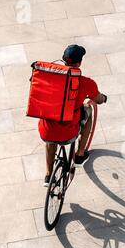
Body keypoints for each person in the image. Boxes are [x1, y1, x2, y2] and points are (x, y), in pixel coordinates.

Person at [38, 44, 107, 187]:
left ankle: (48, 175)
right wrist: (103, 98)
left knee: (50, 140)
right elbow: (98, 99)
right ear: (80, 62)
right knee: (88, 111)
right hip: (68, 132)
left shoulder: (49, 77)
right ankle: (80, 154)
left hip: (46, 130)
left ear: (63, 59)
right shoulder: (86, 82)